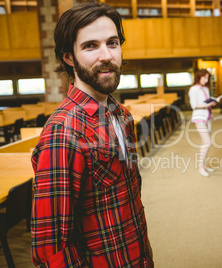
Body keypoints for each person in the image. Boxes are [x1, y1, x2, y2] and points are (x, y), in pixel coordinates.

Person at [30, 2, 153, 267]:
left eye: (112, 43)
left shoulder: (122, 114)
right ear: (68, 57)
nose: (106, 55)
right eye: (90, 46)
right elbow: (49, 248)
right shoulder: (63, 132)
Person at [188, 69, 217, 177]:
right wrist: (207, 105)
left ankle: (204, 165)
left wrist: (211, 105)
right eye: (204, 78)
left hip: (207, 116)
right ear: (199, 77)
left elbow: (206, 101)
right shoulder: (193, 89)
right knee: (207, 142)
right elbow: (193, 105)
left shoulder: (205, 88)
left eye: (207, 78)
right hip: (199, 117)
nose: (206, 80)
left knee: (203, 142)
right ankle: (200, 167)